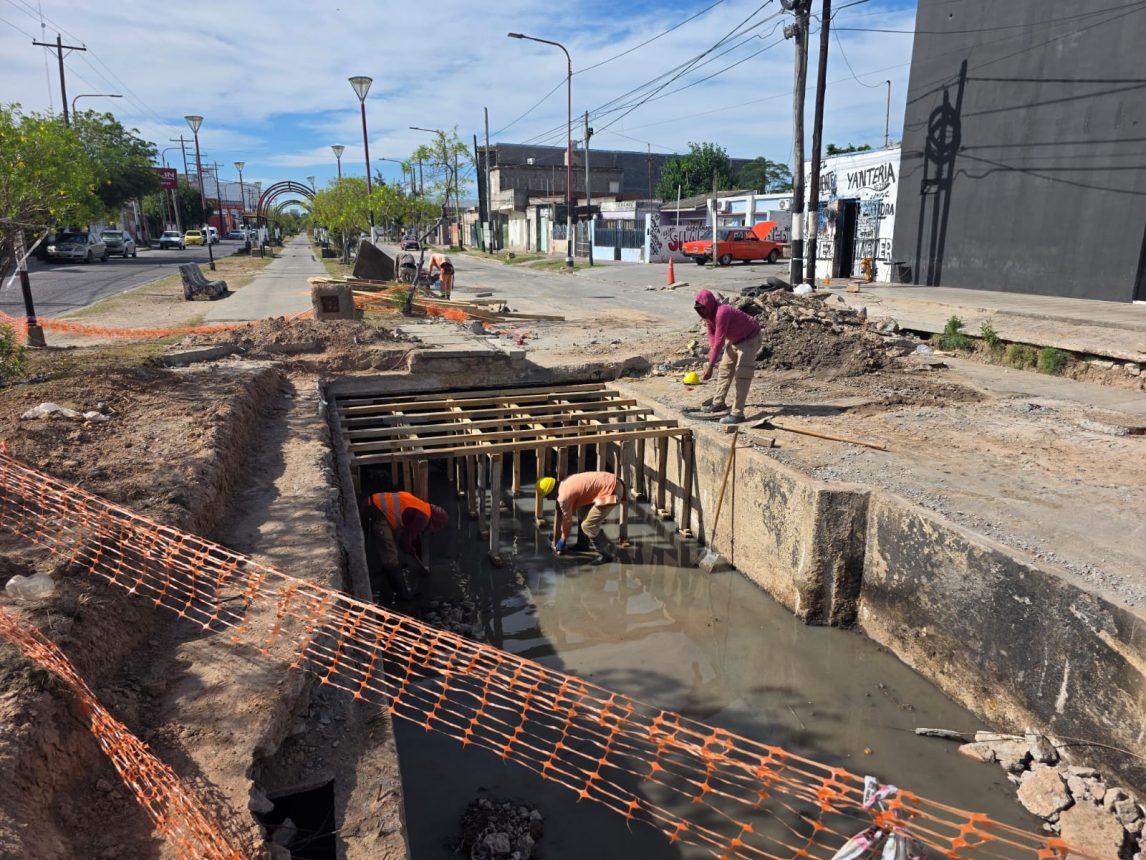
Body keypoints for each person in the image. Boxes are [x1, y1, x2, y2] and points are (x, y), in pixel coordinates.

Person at [693, 288, 762, 425]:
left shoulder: (722, 312)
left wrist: (711, 365)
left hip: (750, 339)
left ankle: (738, 413)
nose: (702, 312)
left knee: (742, 375)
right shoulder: (709, 316)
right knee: (724, 369)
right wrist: (711, 358)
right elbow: (712, 337)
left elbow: (719, 341)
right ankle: (718, 402)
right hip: (736, 341)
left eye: (703, 309)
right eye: (699, 309)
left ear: (709, 305)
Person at [361, 490, 448, 598]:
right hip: (375, 511)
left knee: (389, 544)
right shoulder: (423, 519)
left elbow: (410, 533)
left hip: (371, 501)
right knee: (390, 556)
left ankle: (384, 573)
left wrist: (411, 546)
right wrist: (410, 549)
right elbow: (404, 541)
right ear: (435, 522)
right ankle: (402, 595)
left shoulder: (423, 507)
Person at [538, 472, 623, 566]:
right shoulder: (565, 483)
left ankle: (606, 555)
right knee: (582, 513)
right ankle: (582, 545)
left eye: (547, 496)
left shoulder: (563, 497)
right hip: (612, 482)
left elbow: (567, 520)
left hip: (612, 491)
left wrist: (563, 539)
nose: (549, 499)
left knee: (588, 526)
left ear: (551, 492)